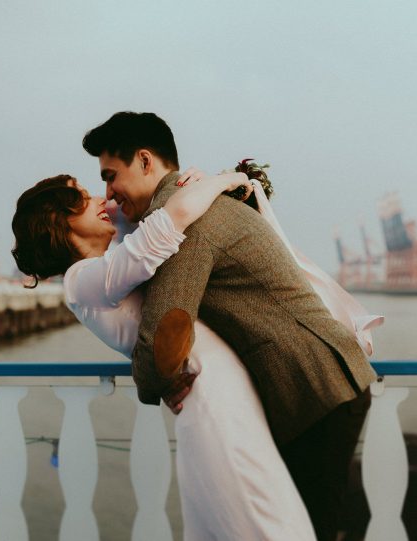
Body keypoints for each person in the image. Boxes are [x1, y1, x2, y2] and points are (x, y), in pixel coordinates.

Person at [83, 112, 382, 541]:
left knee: (311, 528)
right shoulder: (192, 203)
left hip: (317, 388)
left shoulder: (186, 223)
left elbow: (167, 326)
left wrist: (152, 382)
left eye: (111, 176)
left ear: (146, 161)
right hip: (319, 383)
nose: (107, 192)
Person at [11, 171, 319, 540]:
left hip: (218, 393)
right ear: (59, 220)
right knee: (268, 520)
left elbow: (148, 209)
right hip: (213, 399)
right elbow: (169, 222)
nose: (99, 199)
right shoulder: (83, 279)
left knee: (236, 522)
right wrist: (228, 179)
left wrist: (184, 181)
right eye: (81, 198)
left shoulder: (97, 273)